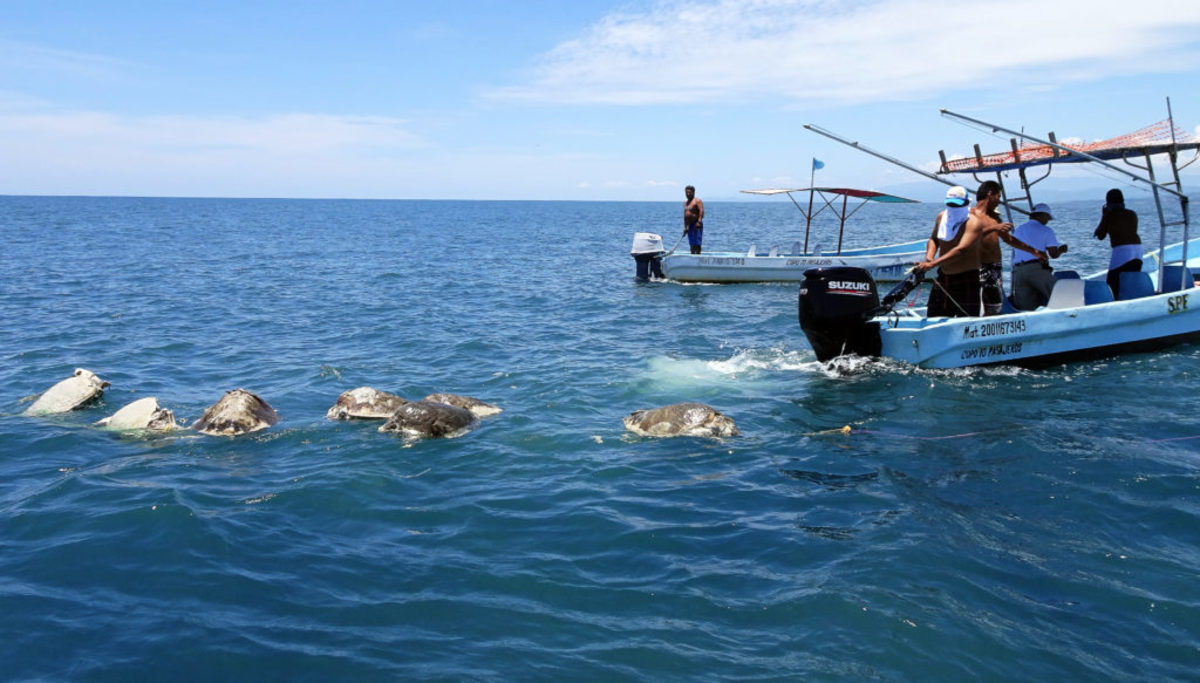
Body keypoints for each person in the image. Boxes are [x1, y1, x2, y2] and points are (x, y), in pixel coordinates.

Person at [972, 180, 1040, 315]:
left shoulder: (994, 217)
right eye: (998, 196)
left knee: (995, 305)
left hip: (995, 268)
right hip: (977, 267)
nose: (999, 201)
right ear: (990, 194)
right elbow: (968, 236)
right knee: (976, 305)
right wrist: (993, 228)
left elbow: (1009, 239)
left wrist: (1034, 251)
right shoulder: (970, 215)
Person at [914, 185, 982, 317]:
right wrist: (929, 258)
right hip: (944, 277)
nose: (953, 208)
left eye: (957, 205)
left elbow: (961, 249)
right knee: (933, 315)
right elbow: (934, 239)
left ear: (967, 203)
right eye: (950, 204)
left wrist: (933, 264)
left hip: (966, 278)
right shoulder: (941, 217)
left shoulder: (973, 222)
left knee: (966, 320)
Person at [1010, 203, 1067, 310]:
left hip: (1018, 271)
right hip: (1035, 269)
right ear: (1043, 216)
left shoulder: (1019, 229)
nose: (1047, 221)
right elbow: (1054, 254)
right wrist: (1061, 250)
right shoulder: (1046, 230)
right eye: (1048, 218)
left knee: (1026, 308)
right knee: (1060, 294)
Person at [1094, 188, 1141, 299]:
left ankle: (1114, 302)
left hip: (1121, 250)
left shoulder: (1110, 216)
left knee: (1112, 282)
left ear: (1108, 202)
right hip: (1138, 249)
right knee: (1131, 277)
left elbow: (1100, 235)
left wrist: (1104, 215)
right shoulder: (1132, 214)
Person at [683, 185, 705, 255]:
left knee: (697, 242)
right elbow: (685, 216)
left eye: (689, 192)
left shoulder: (697, 201)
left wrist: (699, 221)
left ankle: (698, 256)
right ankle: (692, 255)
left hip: (697, 224)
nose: (688, 194)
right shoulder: (686, 203)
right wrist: (685, 227)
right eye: (686, 193)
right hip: (690, 225)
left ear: (693, 192)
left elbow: (701, 211)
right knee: (691, 242)